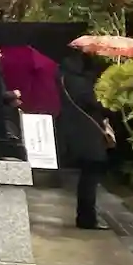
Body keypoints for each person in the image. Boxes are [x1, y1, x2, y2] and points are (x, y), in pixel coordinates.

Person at [57, 51, 113, 230]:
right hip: (89, 134)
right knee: (90, 177)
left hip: (75, 132)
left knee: (86, 177)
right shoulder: (82, 82)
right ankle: (87, 218)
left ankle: (85, 217)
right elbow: (97, 104)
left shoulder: (64, 77)